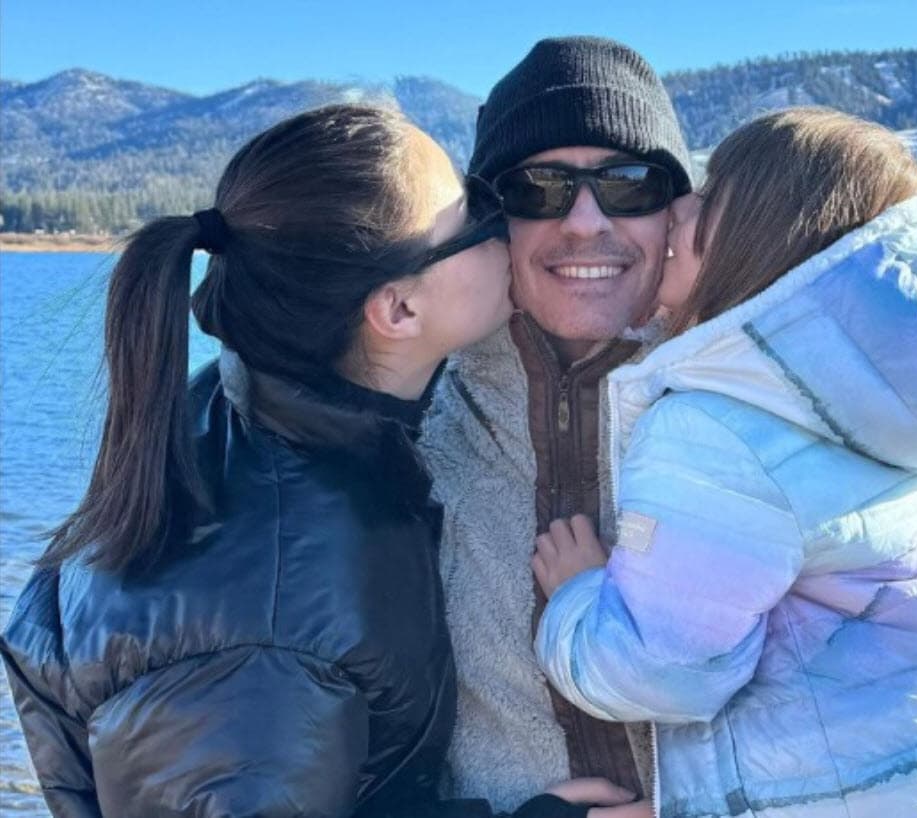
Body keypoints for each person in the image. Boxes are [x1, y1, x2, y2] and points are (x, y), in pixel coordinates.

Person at [0, 104, 639, 818]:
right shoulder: (271, 617)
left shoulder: (251, 408)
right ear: (396, 311)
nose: (512, 228)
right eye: (479, 218)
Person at [532, 108, 917, 817]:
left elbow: (660, 673)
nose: (679, 206)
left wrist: (577, 596)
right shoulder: (916, 403)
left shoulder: (716, 427)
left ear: (760, 234)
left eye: (709, 196)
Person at [419, 36, 692, 812]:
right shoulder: (406, 403)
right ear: (489, 217)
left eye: (627, 183)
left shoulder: (763, 397)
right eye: (538, 187)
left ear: (675, 211)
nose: (581, 221)